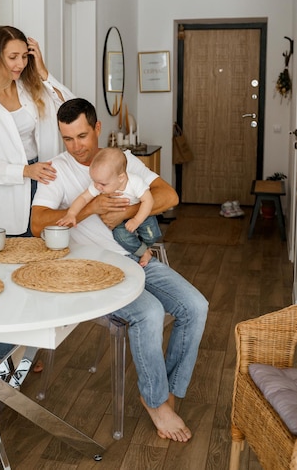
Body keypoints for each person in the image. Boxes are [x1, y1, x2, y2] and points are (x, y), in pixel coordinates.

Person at [31, 98, 208, 442]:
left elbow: (168, 196)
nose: (76, 147)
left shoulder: (122, 163)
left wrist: (128, 214)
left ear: (98, 129)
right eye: (67, 139)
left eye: (82, 136)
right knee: (151, 313)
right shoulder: (57, 169)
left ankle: (164, 391)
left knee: (196, 307)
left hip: (136, 258)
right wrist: (91, 207)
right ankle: (157, 402)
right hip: (91, 270)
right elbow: (38, 224)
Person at [0, 25, 74, 373]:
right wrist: (24, 172)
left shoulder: (28, 86)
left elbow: (70, 107)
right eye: (13, 57)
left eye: (24, 56)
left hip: (40, 187)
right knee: (5, 279)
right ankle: (0, 359)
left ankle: (26, 349)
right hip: (6, 193)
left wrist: (43, 70)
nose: (19, 64)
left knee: (37, 272)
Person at [57, 146, 160, 267]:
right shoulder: (99, 184)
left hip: (140, 214)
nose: (97, 187)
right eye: (94, 181)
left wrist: (136, 220)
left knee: (151, 234)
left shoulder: (135, 182)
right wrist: (71, 214)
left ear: (121, 178)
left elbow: (148, 201)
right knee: (120, 236)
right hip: (119, 220)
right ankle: (144, 252)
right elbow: (83, 198)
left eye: (103, 184)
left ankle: (147, 244)